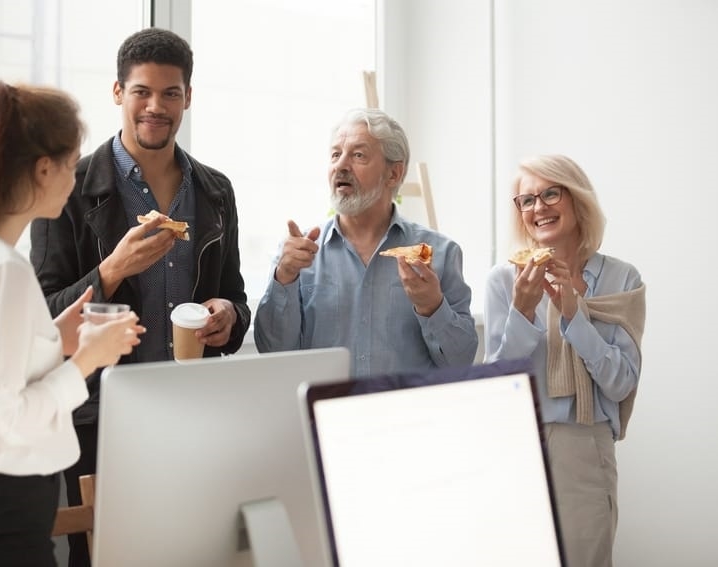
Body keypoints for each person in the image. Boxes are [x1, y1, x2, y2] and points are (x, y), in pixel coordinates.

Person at [29, 27, 250, 566]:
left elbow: (236, 299)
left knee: (193, 551)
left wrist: (229, 315)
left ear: (188, 98)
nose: (156, 106)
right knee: (101, 556)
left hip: (193, 412)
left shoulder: (216, 192)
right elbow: (41, 319)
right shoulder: (69, 187)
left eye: (170, 93)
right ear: (117, 94)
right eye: (141, 92)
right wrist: (110, 270)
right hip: (98, 416)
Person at [0, 81, 145, 567]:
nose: (75, 180)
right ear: (43, 169)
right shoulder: (3, 270)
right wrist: (85, 362)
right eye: (71, 165)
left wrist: (50, 339)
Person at [483, 154, 646, 567]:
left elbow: (621, 383)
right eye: (527, 200)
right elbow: (494, 386)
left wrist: (575, 313)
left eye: (550, 193)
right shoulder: (503, 281)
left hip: (584, 446)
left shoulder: (622, 280)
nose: (539, 207)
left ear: (576, 199)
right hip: (519, 443)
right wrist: (522, 311)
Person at [254, 107, 478, 377]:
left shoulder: (440, 254)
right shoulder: (298, 254)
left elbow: (460, 362)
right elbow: (273, 354)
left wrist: (432, 306)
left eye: (358, 155)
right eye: (336, 154)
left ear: (394, 174)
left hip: (408, 415)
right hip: (326, 415)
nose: (341, 165)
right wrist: (285, 277)